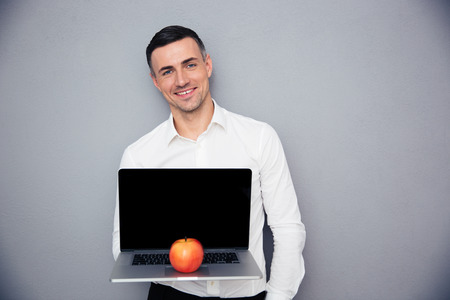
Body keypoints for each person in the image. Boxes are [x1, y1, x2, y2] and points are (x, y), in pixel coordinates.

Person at [113, 25, 306, 300]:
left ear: (207, 65)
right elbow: (123, 247)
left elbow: (288, 230)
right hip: (172, 295)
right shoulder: (139, 155)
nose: (181, 80)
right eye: (167, 71)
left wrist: (277, 297)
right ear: (156, 81)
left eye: (189, 65)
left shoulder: (259, 137)